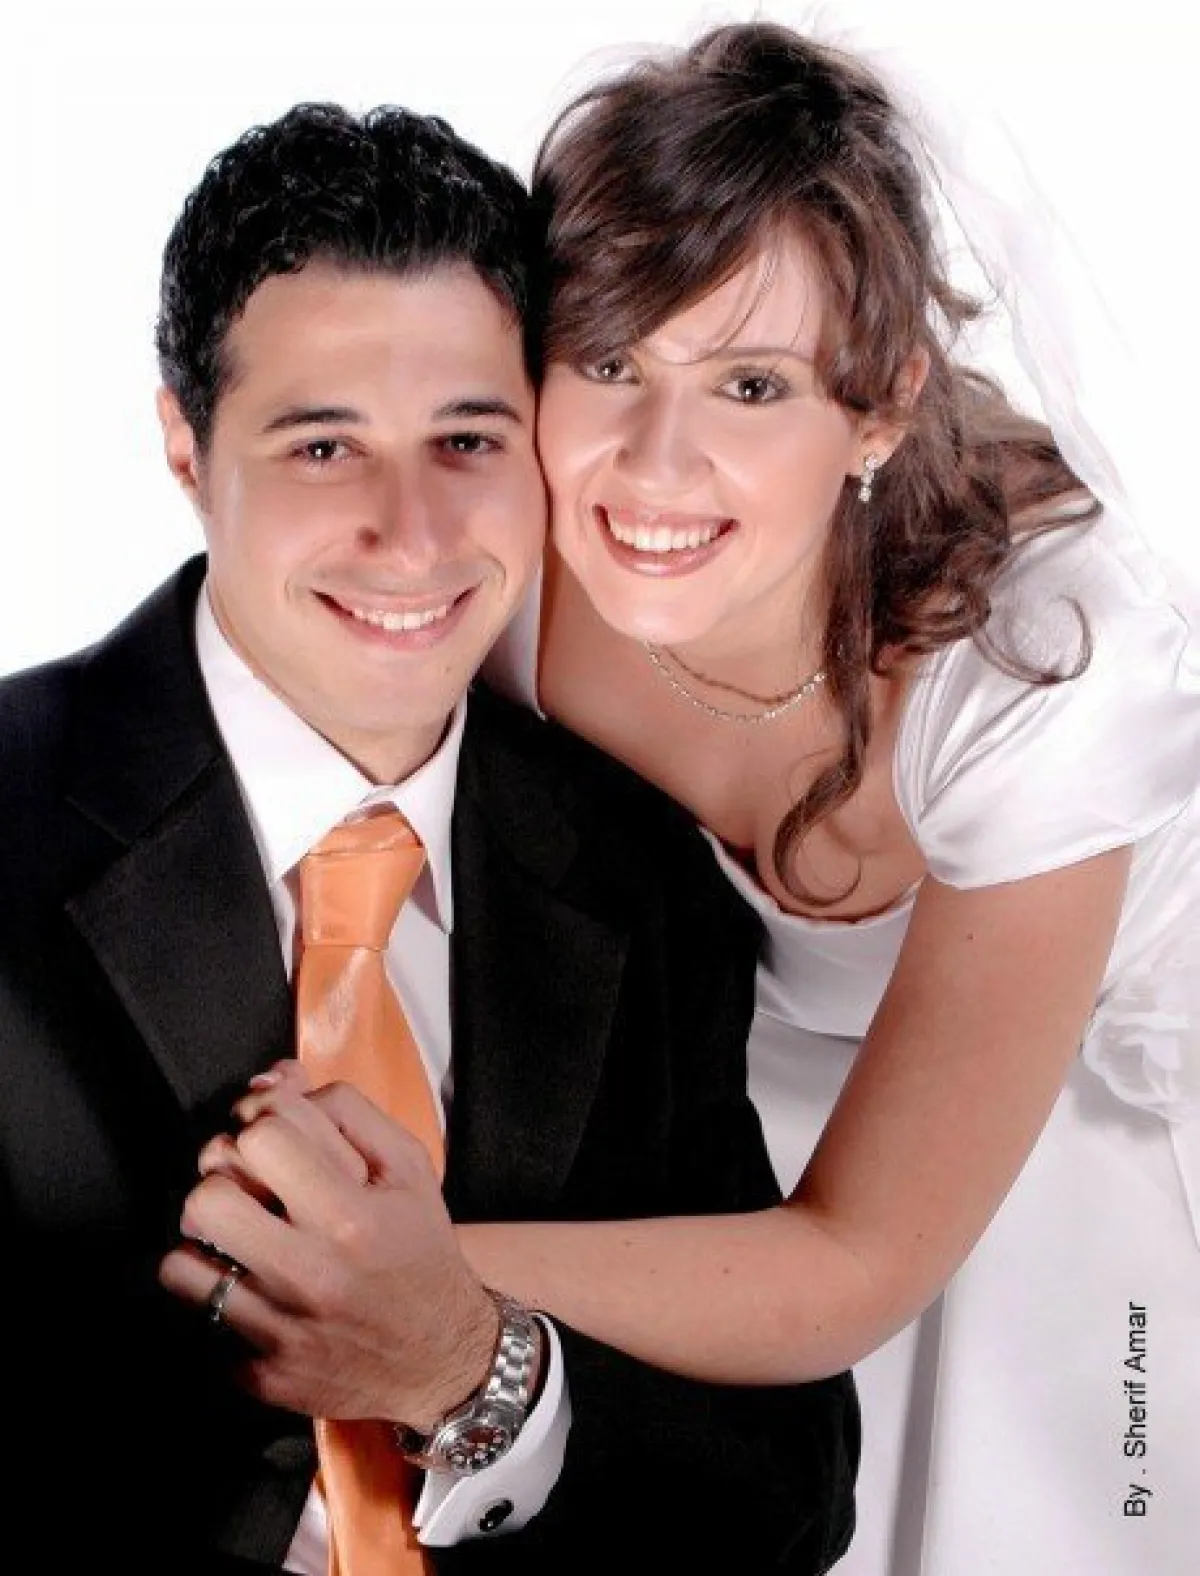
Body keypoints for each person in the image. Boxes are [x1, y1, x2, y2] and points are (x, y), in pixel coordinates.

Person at [2, 100, 858, 1574]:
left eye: (467, 439)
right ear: (185, 446)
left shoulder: (646, 865)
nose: (411, 534)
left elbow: (787, 1491)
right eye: (324, 445)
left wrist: (473, 1372)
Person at [445, 20, 1200, 1575]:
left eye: (751, 384)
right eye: (610, 362)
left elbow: (857, 1263)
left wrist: (416, 1281)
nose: (656, 464)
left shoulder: (1039, 674)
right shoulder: (509, 592)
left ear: (878, 409)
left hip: (1105, 1127)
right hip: (796, 1127)